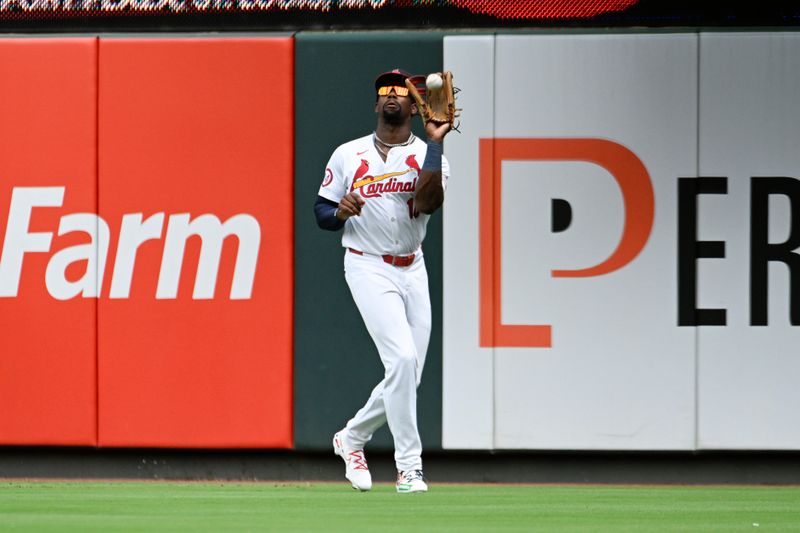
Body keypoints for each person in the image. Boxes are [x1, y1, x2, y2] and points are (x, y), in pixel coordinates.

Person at [314, 68, 451, 493]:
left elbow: (429, 202)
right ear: (376, 105)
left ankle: (352, 437)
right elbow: (322, 212)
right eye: (384, 91)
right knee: (403, 362)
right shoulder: (348, 154)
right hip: (367, 264)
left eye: (400, 91)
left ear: (415, 105)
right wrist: (340, 212)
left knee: (408, 372)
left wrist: (435, 141)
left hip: (413, 266)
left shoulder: (432, 156)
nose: (392, 95)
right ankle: (410, 466)